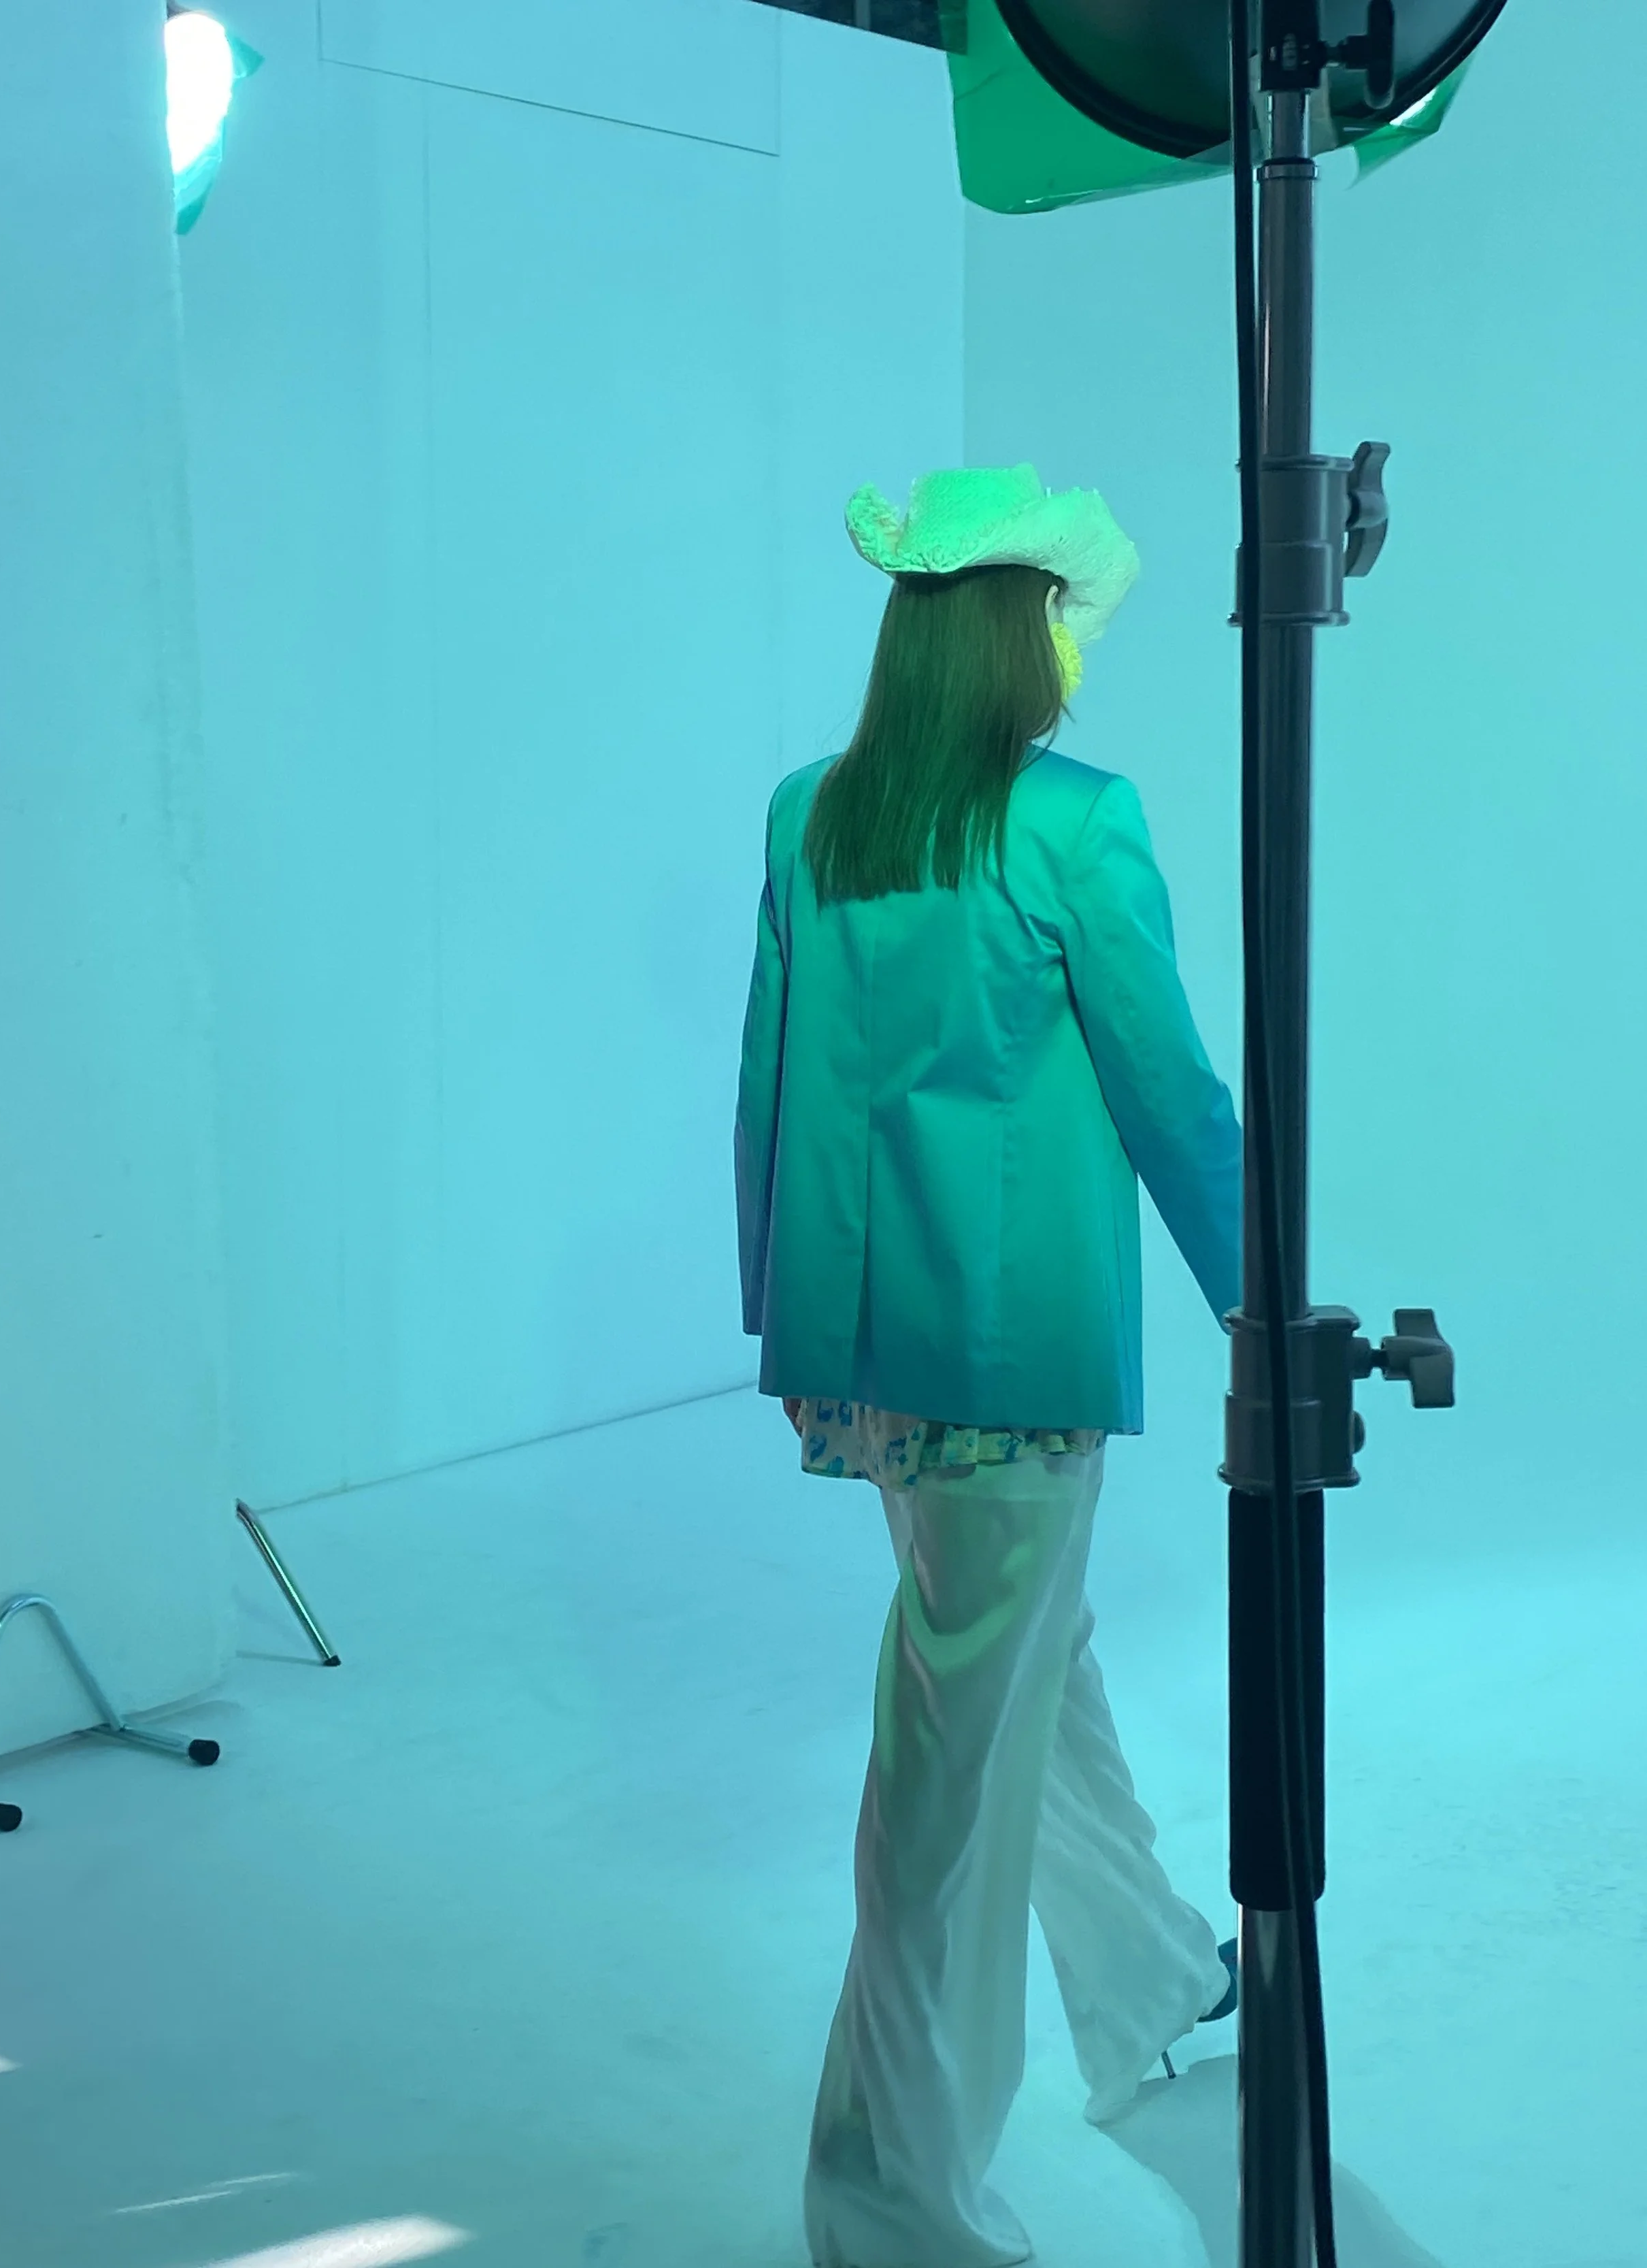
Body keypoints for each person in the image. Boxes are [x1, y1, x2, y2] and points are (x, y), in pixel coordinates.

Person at [734, 463, 1243, 2268]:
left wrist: (794, 1337)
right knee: (940, 1790)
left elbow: (766, 1096)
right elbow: (1171, 1096)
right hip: (1013, 1373)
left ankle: (1153, 1981)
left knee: (1028, 1670)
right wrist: (1262, 1295)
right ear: (1016, 636)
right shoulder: (1077, 826)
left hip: (871, 1374)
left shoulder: (813, 814)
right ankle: (889, 2205)